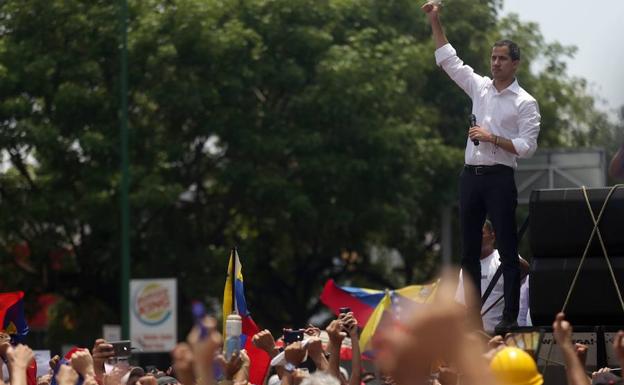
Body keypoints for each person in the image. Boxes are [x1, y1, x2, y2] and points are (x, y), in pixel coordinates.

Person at [422, 1, 541, 331]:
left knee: (507, 245)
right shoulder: (480, 87)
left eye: (503, 58)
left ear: (515, 64)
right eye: (494, 58)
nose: (496, 63)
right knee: (468, 250)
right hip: (471, 175)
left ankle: (508, 316)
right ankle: (472, 315)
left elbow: (527, 147)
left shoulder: (524, 102)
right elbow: (449, 60)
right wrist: (435, 20)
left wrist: (492, 138)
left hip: (500, 177)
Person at [455, 220, 531, 334]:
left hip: (502, 336)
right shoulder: (468, 267)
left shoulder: (503, 258)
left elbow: (527, 270)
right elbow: (460, 305)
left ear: (493, 236)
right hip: (477, 337)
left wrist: (511, 258)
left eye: (480, 233)